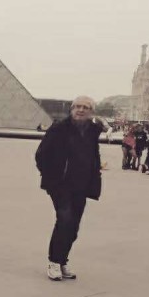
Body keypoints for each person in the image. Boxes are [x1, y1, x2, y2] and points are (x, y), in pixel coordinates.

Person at [35, 96, 103, 281]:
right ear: (72, 109)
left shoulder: (92, 131)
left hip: (81, 185)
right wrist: (52, 178)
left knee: (74, 227)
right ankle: (54, 262)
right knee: (64, 220)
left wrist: (95, 176)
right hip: (60, 185)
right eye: (78, 106)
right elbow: (41, 155)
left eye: (85, 107)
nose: (81, 110)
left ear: (91, 112)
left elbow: (93, 156)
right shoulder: (59, 128)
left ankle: (62, 260)